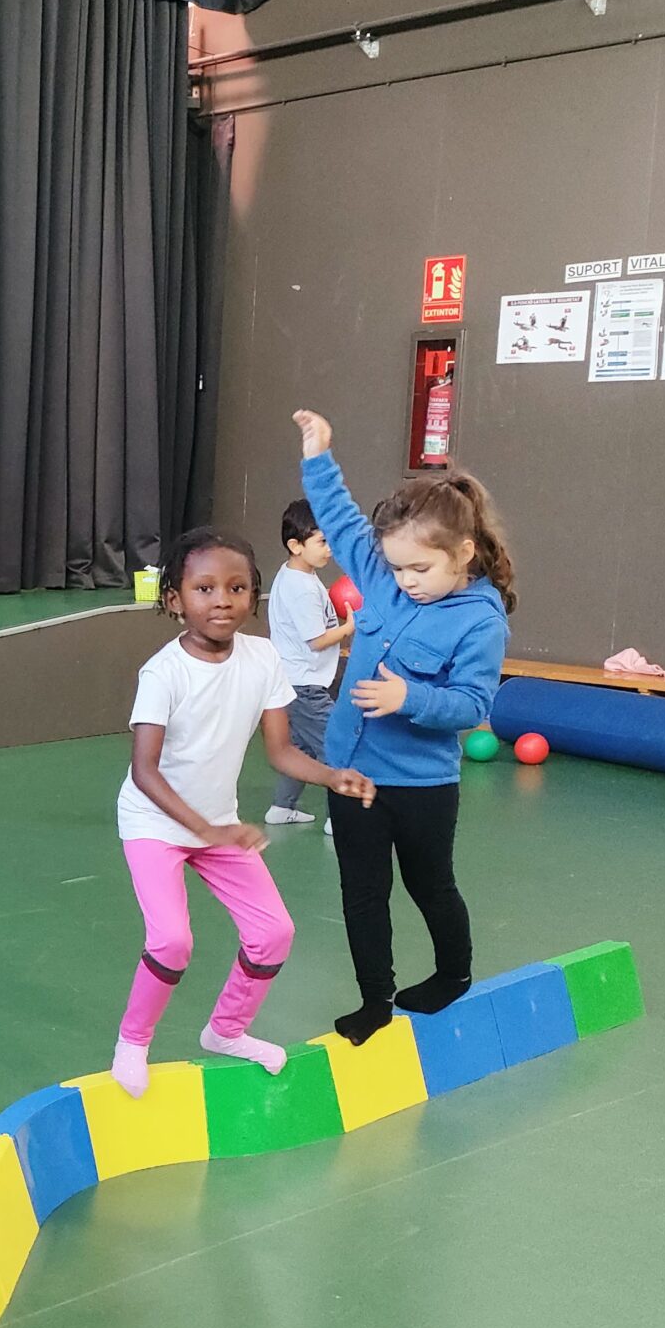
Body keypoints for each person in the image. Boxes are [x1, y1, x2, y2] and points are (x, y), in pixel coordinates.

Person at [112, 528, 376, 1099]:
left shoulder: (262, 659)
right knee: (172, 941)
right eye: (204, 588)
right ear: (174, 600)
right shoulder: (163, 673)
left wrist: (332, 775)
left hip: (218, 825)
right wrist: (208, 829)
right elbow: (145, 771)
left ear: (253, 596)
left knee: (273, 933)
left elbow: (280, 751)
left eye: (236, 588)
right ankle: (132, 1043)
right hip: (156, 825)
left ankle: (226, 1031)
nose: (222, 600)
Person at [291, 409, 514, 1046]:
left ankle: (454, 974)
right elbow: (339, 518)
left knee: (430, 884)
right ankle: (375, 1000)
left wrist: (408, 697)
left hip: (421, 787)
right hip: (351, 775)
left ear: (463, 553)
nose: (406, 582)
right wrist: (318, 456)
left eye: (421, 569)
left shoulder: (480, 620)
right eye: (396, 569)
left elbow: (471, 704)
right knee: (362, 894)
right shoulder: (384, 581)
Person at [265, 498, 355, 829]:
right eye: (322, 541)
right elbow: (316, 640)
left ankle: (282, 807)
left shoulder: (297, 574)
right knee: (338, 746)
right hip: (303, 686)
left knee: (301, 750)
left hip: (294, 681)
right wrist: (349, 628)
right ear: (296, 545)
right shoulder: (302, 588)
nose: (330, 549)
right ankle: (339, 820)